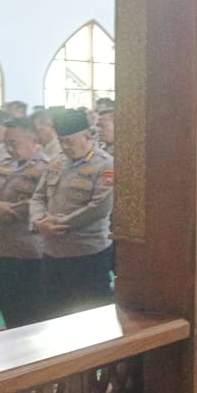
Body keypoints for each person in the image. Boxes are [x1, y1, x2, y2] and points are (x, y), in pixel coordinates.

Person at [29, 109, 115, 320]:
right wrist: (39, 222)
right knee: (53, 314)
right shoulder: (57, 162)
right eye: (61, 141)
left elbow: (99, 207)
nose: (65, 147)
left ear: (87, 136)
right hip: (53, 253)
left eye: (70, 141)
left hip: (88, 254)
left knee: (93, 317)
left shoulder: (105, 164)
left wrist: (57, 224)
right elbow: (38, 196)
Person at [0, 117, 49, 329]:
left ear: (34, 141)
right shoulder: (5, 165)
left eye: (14, 143)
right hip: (0, 248)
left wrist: (6, 210)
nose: (9, 149)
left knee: (32, 312)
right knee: (7, 305)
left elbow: (43, 202)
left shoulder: (47, 168)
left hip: (29, 251)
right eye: (6, 143)